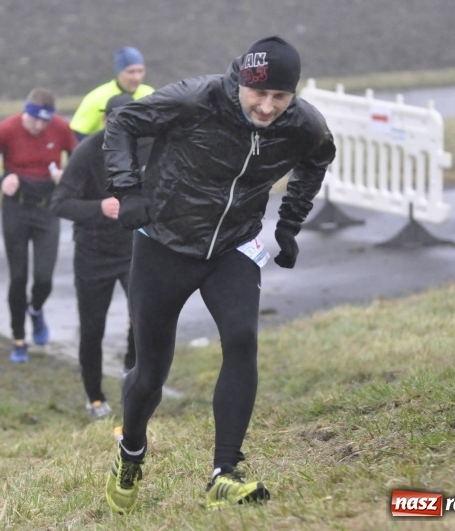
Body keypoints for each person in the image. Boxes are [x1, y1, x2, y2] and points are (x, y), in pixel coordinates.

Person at [101, 36, 336, 513]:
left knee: (242, 338)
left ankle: (224, 473)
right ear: (241, 82)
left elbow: (319, 157)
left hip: (233, 246)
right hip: (163, 242)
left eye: (280, 97)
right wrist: (128, 190)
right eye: (260, 95)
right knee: (149, 374)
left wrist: (289, 224)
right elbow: (122, 120)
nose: (268, 107)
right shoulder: (197, 98)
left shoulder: (303, 123)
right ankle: (131, 454)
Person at [50, 94, 151, 418]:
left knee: (143, 320)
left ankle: (129, 376)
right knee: (92, 329)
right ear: (106, 121)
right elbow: (60, 203)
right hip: (93, 253)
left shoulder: (149, 147)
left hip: (135, 250)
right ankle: (94, 397)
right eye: (119, 123)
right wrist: (99, 207)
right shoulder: (89, 152)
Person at [0, 88, 77, 363]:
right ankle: (18, 339)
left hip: (47, 210)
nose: (39, 126)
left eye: (45, 121)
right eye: (34, 120)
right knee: (18, 277)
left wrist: (66, 177)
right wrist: (0, 183)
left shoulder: (61, 128)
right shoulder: (5, 129)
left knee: (44, 278)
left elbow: (79, 160)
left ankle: (36, 309)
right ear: (25, 112)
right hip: (16, 209)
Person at [69, 47, 155, 141]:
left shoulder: (150, 94)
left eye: (140, 71)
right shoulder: (96, 97)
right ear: (119, 72)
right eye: (131, 72)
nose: (136, 77)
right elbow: (76, 134)